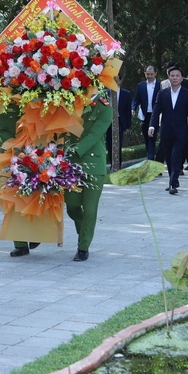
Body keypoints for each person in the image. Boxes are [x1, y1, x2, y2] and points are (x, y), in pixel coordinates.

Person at [66, 91, 112, 261]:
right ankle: (84, 230)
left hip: (94, 163)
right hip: (71, 164)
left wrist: (77, 149)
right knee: (71, 205)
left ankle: (83, 247)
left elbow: (95, 134)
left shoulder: (104, 108)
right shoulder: (69, 101)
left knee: (90, 209)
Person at [0, 106, 41, 259]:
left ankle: (36, 234)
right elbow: (1, 127)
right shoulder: (0, 97)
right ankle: (20, 244)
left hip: (34, 149)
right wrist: (15, 147)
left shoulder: (34, 91)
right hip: (11, 152)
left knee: (35, 194)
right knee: (13, 197)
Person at [149, 66, 188, 195]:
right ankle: (172, 179)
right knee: (169, 157)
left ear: (181, 78)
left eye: (177, 76)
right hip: (166, 131)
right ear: (169, 78)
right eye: (172, 75)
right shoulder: (162, 93)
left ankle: (173, 182)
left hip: (181, 131)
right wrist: (152, 126)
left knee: (176, 156)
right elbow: (156, 111)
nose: (174, 78)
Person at [132, 66, 160, 162]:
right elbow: (136, 99)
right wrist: (133, 109)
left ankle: (151, 160)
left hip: (156, 115)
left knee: (152, 137)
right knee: (147, 138)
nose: (149, 76)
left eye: (151, 74)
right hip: (145, 115)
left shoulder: (160, 85)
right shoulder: (141, 86)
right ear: (145, 74)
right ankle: (151, 158)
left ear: (155, 73)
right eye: (148, 74)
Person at [106, 75, 132, 163]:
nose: (114, 83)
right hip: (108, 122)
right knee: (109, 144)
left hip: (120, 121)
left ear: (120, 81)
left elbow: (128, 111)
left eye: (116, 81)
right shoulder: (105, 93)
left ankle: (118, 165)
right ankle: (112, 164)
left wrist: (128, 126)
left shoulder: (126, 94)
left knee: (118, 144)